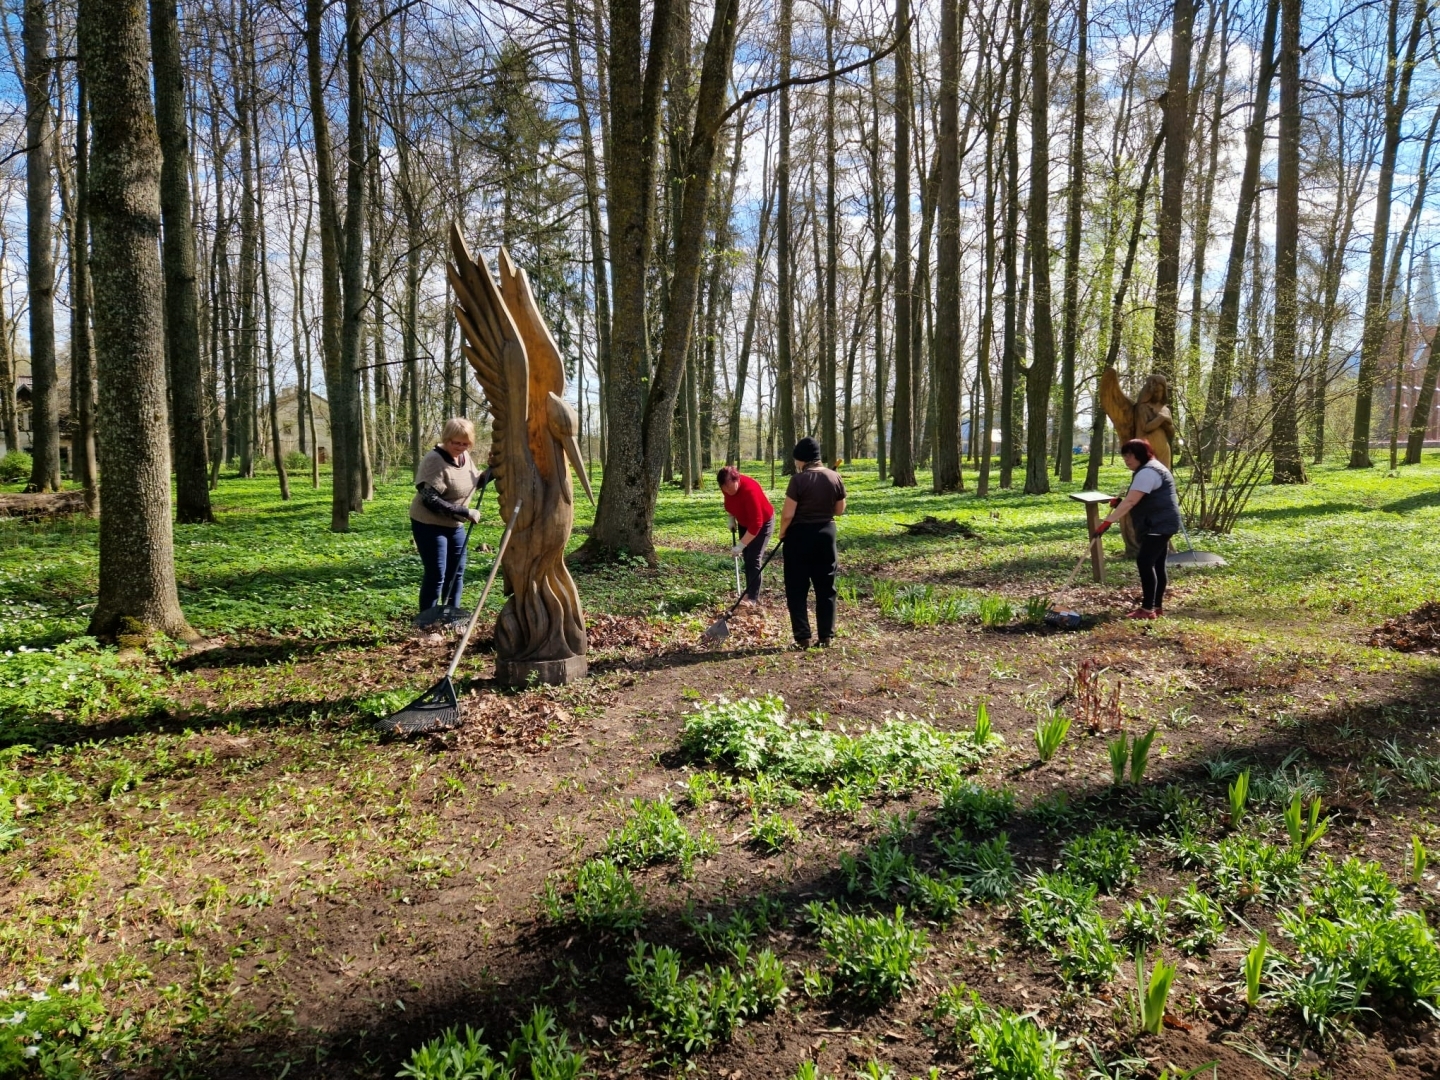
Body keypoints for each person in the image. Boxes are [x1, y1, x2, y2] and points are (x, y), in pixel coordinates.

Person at [1093, 438, 1181, 620]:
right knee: (1157, 564)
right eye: (1125, 456)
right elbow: (1139, 497)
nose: (1127, 460)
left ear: (1142, 454)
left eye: (1131, 456)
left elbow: (1132, 501)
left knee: (1145, 562)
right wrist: (1120, 503)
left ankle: (1147, 609)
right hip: (1163, 522)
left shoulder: (1147, 472)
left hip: (1157, 523)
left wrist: (1107, 522)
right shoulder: (1153, 468)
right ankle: (1156, 607)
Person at [409, 418, 490, 613]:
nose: (461, 447)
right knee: (437, 574)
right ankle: (427, 623)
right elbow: (430, 499)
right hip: (429, 524)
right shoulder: (434, 460)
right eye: (456, 443)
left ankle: (450, 616)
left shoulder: (465, 457)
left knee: (456, 573)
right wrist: (465, 512)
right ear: (447, 439)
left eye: (465, 443)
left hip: (454, 525)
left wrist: (493, 470)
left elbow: (473, 483)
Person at [778, 437, 846, 647]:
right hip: (826, 534)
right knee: (826, 586)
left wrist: (782, 533)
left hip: (799, 537)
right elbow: (839, 510)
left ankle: (803, 637)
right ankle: (826, 636)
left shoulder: (798, 480)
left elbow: (788, 514)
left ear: (801, 460)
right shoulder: (834, 476)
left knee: (797, 587)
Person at [717, 465, 775, 606]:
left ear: (737, 479)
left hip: (762, 523)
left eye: (730, 488)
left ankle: (752, 598)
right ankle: (748, 593)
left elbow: (756, 523)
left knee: (753, 558)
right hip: (744, 522)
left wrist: (740, 545)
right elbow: (730, 502)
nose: (727, 491)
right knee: (746, 557)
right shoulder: (726, 486)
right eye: (724, 489)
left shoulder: (750, 490)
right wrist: (731, 517)